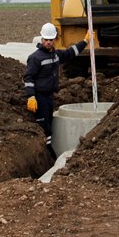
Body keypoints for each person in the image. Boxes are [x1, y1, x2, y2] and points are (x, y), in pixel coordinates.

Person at [24, 22, 89, 159]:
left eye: (51, 40)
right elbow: (29, 77)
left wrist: (85, 41)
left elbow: (70, 53)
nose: (48, 42)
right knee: (44, 126)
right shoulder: (35, 58)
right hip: (39, 98)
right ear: (42, 39)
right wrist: (31, 96)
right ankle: (47, 154)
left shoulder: (56, 55)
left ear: (54, 40)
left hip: (49, 97)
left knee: (49, 123)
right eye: (46, 40)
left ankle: (49, 150)